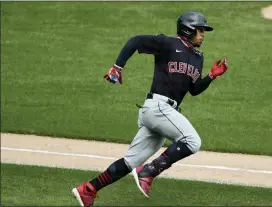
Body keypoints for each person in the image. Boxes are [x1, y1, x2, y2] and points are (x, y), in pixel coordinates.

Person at [72, 11, 228, 207]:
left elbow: (194, 90)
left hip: (163, 114)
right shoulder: (168, 44)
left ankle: (88, 189)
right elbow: (136, 41)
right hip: (158, 108)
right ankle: (148, 172)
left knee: (130, 162)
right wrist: (117, 67)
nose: (203, 34)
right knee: (192, 141)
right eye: (200, 30)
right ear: (188, 29)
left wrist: (211, 76)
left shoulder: (197, 58)